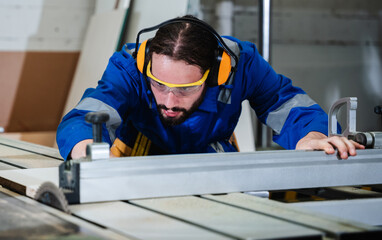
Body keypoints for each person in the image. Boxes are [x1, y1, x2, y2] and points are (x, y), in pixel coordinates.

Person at [56, 15, 364, 161]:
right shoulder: (130, 64)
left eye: (185, 89)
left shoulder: (240, 63)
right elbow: (90, 111)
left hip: (209, 152)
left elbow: (283, 102)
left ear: (217, 72)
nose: (169, 101)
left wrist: (311, 134)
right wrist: (85, 150)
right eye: (158, 85)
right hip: (136, 152)